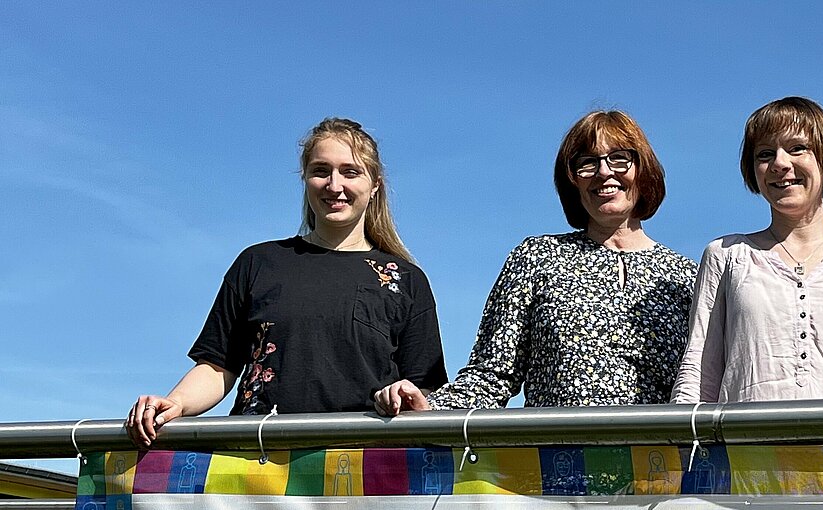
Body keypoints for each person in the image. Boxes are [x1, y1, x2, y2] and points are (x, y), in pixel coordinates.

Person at [128, 118, 446, 446]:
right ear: (305, 178)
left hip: (364, 461)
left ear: (375, 184)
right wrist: (176, 403)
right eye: (321, 170)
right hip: (256, 459)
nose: (334, 185)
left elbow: (424, 388)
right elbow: (217, 367)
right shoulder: (259, 263)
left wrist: (407, 396)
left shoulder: (407, 280)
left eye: (350, 172)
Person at [375, 111, 695, 413]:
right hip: (556, 463)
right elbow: (491, 374)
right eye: (587, 162)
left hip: (660, 465)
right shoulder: (538, 258)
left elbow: (705, 385)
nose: (604, 172)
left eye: (619, 158)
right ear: (572, 180)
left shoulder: (688, 276)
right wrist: (427, 406)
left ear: (644, 169)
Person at [672, 96, 823, 403]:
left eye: (797, 148)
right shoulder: (727, 255)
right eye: (765, 154)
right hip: (746, 448)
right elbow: (699, 372)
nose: (780, 164)